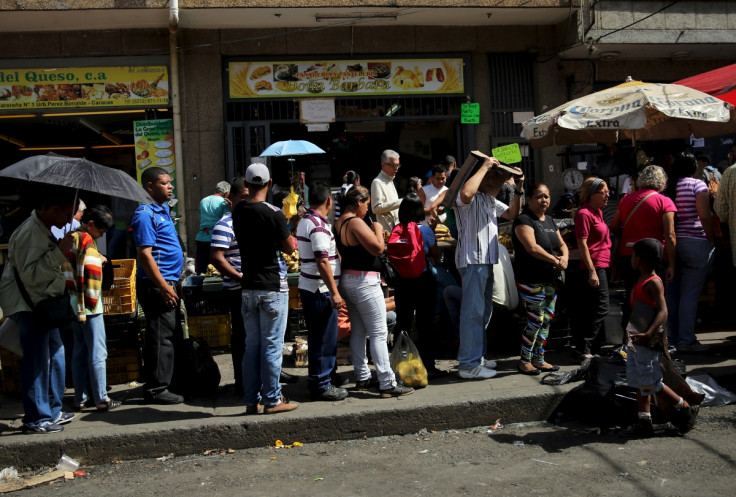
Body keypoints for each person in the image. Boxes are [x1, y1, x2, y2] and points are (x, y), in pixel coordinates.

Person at [0, 186, 78, 433]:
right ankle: (36, 418)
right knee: (37, 361)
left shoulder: (41, 230)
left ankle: (52, 410)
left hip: (43, 304)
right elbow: (31, 275)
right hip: (31, 305)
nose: (68, 221)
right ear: (54, 209)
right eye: (67, 215)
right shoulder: (29, 233)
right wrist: (59, 253)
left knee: (55, 354)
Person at [233, 163, 299, 414]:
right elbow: (289, 248)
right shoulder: (274, 214)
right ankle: (272, 399)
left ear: (247, 185)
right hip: (272, 286)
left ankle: (252, 400)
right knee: (271, 346)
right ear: (269, 184)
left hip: (248, 286)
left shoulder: (238, 211)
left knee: (252, 347)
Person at [335, 186, 413, 397]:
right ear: (359, 201)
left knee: (359, 331)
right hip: (364, 282)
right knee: (378, 333)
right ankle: (387, 383)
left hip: (349, 280)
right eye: (367, 204)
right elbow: (378, 248)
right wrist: (378, 229)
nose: (367, 209)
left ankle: (362, 377)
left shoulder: (339, 221)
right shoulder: (355, 222)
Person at [453, 156, 524, 379]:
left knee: (483, 313)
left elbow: (512, 214)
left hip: (485, 260)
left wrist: (519, 189)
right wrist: (484, 166)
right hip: (472, 259)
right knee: (472, 313)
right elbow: (466, 193)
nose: (493, 178)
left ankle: (477, 358)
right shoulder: (464, 196)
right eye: (489, 175)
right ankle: (468, 365)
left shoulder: (487, 199)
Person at [621, 238, 699, 437]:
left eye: (634, 255)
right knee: (640, 380)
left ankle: (685, 407)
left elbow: (663, 311)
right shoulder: (640, 279)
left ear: (642, 259)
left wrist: (648, 333)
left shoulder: (653, 282)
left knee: (651, 382)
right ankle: (644, 420)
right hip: (635, 340)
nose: (632, 259)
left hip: (647, 341)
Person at [131, 167, 185, 405]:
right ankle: (157, 389)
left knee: (169, 334)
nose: (170, 187)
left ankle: (167, 381)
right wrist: (163, 286)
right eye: (164, 183)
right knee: (161, 336)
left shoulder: (162, 210)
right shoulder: (144, 214)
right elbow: (145, 254)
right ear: (150, 187)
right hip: (157, 284)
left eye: (170, 183)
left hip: (169, 281)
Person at [64, 204, 121, 412]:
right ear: (90, 224)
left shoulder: (71, 237)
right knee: (98, 352)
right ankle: (101, 398)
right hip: (89, 305)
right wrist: (101, 259)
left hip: (72, 303)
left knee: (79, 351)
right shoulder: (87, 241)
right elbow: (91, 272)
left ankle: (80, 397)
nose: (102, 234)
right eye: (101, 230)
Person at [296, 182, 348, 401]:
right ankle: (321, 383)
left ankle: (328, 375)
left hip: (314, 287)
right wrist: (335, 292)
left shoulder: (307, 220)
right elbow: (322, 261)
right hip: (320, 289)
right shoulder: (316, 224)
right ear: (329, 200)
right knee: (323, 337)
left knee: (323, 336)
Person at [609, 165, 676, 330]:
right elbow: (670, 235)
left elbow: (615, 226)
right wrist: (672, 265)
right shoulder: (664, 201)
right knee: (655, 299)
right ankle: (653, 337)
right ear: (661, 182)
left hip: (628, 255)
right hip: (654, 257)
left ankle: (628, 339)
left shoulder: (626, 200)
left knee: (632, 296)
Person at [512, 183, 568, 375]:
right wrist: (555, 259)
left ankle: (539, 358)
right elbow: (532, 248)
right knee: (536, 320)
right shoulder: (523, 220)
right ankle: (525, 360)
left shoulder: (550, 221)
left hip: (550, 279)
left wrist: (565, 258)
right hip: (531, 279)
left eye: (546, 196)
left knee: (546, 321)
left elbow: (562, 244)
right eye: (539, 196)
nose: (543, 200)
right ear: (529, 199)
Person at [664, 152, 715, 352]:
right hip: (696, 242)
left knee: (674, 293)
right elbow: (704, 215)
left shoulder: (670, 187)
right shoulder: (697, 185)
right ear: (694, 167)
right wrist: (711, 238)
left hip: (674, 243)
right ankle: (687, 339)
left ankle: (673, 337)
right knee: (690, 294)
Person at [390, 193, 445, 379]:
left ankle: (398, 366)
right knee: (425, 324)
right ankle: (428, 366)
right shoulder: (425, 230)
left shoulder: (396, 229)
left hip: (402, 282)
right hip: (423, 281)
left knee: (403, 323)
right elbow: (436, 254)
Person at [209, 177, 248, 396]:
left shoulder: (251, 219)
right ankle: (242, 383)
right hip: (238, 289)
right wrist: (240, 277)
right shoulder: (225, 224)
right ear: (230, 198)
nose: (247, 201)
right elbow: (216, 258)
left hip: (253, 287)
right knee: (242, 337)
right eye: (243, 197)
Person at [572, 177, 612, 361]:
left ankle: (594, 345)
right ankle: (584, 345)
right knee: (601, 307)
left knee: (594, 307)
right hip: (594, 265)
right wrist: (592, 271)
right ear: (592, 194)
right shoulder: (584, 213)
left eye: (607, 191)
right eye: (603, 192)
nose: (607, 195)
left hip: (603, 263)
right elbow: (582, 243)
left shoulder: (598, 212)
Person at [195, 181, 230, 274]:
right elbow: (226, 219)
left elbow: (199, 217)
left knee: (202, 269)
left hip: (201, 238)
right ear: (226, 193)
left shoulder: (204, 200)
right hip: (216, 238)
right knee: (216, 270)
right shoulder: (224, 202)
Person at [370, 149, 402, 232]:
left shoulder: (390, 179)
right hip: (387, 230)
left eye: (398, 165)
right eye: (393, 165)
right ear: (383, 165)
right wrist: (400, 202)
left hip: (396, 228)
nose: (396, 168)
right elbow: (376, 208)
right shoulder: (377, 182)